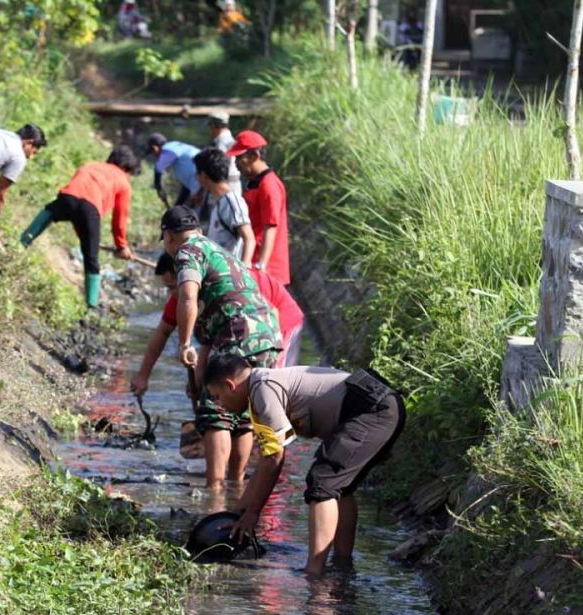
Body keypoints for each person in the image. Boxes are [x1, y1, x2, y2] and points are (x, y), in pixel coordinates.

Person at [203, 354, 405, 576]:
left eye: (217, 397)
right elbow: (265, 460)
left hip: (373, 409)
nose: (219, 405)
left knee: (322, 484)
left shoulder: (263, 389)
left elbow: (275, 459)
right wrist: (239, 513)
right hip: (380, 405)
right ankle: (342, 566)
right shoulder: (260, 388)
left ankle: (314, 573)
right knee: (341, 487)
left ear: (230, 385)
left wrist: (253, 514)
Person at [161, 205, 282, 490]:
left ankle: (214, 490)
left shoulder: (187, 252)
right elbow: (209, 338)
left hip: (240, 334)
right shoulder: (219, 252)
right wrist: (200, 377)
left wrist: (183, 342)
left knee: (216, 410)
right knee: (242, 412)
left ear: (168, 236)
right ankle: (236, 487)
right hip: (268, 335)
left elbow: (188, 297)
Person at [130, 252, 304, 397]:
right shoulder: (182, 297)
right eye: (168, 288)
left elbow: (270, 316)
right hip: (242, 330)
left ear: (185, 278)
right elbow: (164, 333)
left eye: (172, 287)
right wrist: (143, 376)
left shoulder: (228, 283)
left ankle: (281, 430)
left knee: (272, 386)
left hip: (280, 321)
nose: (171, 295)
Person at [20, 145, 138, 308]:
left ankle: (20, 244)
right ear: (126, 168)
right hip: (90, 209)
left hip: (67, 197)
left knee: (49, 211)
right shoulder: (123, 182)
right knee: (91, 258)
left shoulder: (90, 165)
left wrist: (85, 235)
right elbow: (119, 219)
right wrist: (122, 246)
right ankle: (91, 305)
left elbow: (77, 201)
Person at [228, 130, 291, 285]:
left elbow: (270, 227)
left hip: (268, 268)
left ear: (254, 156)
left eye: (239, 158)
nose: (236, 164)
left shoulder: (268, 185)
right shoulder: (255, 183)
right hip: (254, 260)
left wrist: (261, 265)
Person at [194, 147, 254, 266]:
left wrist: (244, 271)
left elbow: (249, 238)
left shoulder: (232, 201)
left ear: (204, 175)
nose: (197, 178)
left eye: (197, 174)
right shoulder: (219, 202)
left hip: (231, 278)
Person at [147, 133, 201, 208]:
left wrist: (159, 189)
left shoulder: (168, 149)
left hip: (203, 186)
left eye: (151, 152)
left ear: (155, 148)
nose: (154, 155)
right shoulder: (176, 147)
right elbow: (187, 186)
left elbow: (158, 168)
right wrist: (177, 206)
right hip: (203, 184)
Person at [206, 111, 241, 197]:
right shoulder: (229, 139)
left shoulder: (221, 142)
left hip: (225, 187)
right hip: (233, 185)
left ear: (213, 125)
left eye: (209, 125)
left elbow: (219, 168)